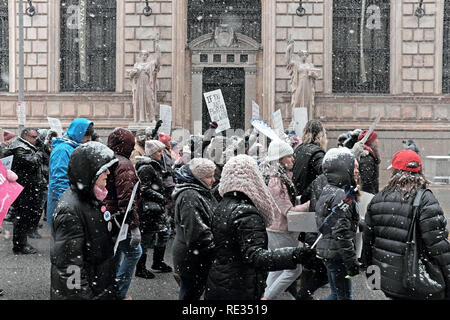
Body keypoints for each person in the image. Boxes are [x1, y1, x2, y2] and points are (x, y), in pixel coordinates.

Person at [204, 155, 316, 300]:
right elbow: (255, 256)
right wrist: (295, 255)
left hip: (220, 281)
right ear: (252, 178)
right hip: (240, 286)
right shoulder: (246, 212)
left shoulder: (223, 205)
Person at [361, 149, 450, 300]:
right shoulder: (426, 200)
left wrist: (373, 281)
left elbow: (368, 242)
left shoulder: (378, 198)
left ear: (395, 171)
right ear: (419, 172)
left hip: (387, 280)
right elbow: (438, 246)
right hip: (413, 281)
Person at [50, 141, 119, 300]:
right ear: (90, 172)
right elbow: (70, 268)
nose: (108, 173)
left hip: (98, 285)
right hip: (88, 292)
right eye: (104, 169)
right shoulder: (70, 209)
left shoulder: (90, 197)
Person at [260, 140, 310, 300]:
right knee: (293, 269)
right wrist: (310, 203)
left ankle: (265, 296)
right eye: (289, 156)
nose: (293, 159)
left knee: (277, 269)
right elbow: (288, 211)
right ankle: (266, 298)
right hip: (279, 230)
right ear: (281, 159)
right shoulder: (276, 181)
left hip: (277, 229)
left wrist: (301, 199)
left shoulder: (280, 178)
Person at [314, 148, 360, 300]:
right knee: (344, 297)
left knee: (336, 294)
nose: (357, 171)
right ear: (343, 169)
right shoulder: (341, 195)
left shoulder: (330, 189)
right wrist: (351, 262)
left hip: (330, 253)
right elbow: (341, 231)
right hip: (338, 255)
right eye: (354, 168)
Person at [105, 128, 142, 300]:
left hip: (110, 217)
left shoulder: (108, 159)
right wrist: (133, 226)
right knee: (134, 253)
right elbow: (127, 200)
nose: (133, 148)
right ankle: (119, 292)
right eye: (131, 144)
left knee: (115, 253)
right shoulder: (124, 164)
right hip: (121, 220)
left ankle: (110, 288)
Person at [172, 158, 217, 300]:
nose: (213, 180)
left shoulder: (199, 191)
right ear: (197, 178)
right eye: (209, 177)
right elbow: (196, 236)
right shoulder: (190, 196)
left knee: (190, 293)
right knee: (190, 295)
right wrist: (218, 247)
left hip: (194, 258)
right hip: (192, 260)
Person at [134, 139, 172, 279]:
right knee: (146, 237)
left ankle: (158, 262)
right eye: (158, 151)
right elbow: (144, 189)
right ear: (151, 153)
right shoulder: (146, 167)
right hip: (149, 209)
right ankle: (141, 268)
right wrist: (160, 197)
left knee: (164, 233)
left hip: (156, 208)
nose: (161, 154)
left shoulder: (154, 165)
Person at [47, 118, 94, 225]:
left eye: (90, 136)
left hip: (75, 205)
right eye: (86, 135)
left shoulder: (76, 148)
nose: (89, 139)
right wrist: (67, 207)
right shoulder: (63, 150)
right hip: (65, 209)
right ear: (77, 132)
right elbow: (59, 182)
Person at [8, 128, 46, 254]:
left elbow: (44, 160)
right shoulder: (19, 147)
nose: (36, 139)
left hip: (30, 187)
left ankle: (22, 243)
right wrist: (40, 151)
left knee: (26, 216)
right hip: (23, 188)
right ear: (25, 136)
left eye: (37, 137)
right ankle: (19, 246)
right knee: (21, 217)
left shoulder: (28, 146)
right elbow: (32, 162)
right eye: (33, 137)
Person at [292, 119, 327, 203]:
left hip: (297, 199)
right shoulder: (317, 152)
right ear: (321, 135)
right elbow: (326, 173)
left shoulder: (298, 149)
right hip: (308, 202)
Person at [357, 129, 380, 195]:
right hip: (369, 195)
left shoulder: (370, 154)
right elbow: (366, 181)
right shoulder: (367, 157)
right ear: (371, 141)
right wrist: (372, 195)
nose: (378, 141)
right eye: (376, 139)